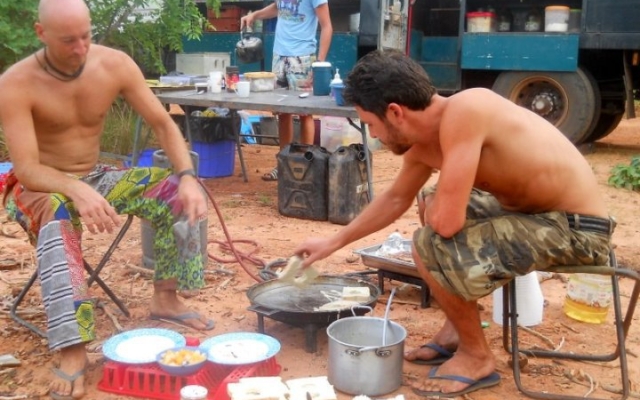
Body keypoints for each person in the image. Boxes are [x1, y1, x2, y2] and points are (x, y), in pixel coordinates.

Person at [294, 50, 613, 398]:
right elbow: (396, 199)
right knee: (429, 200)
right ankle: (455, 330)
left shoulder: (466, 110)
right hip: (535, 215)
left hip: (577, 229)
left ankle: (477, 357)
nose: (373, 135)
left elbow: (446, 225)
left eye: (371, 124)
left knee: (428, 244)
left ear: (396, 112)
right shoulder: (425, 142)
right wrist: (333, 242)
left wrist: (437, 211)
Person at [0, 0, 215, 398]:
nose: (80, 48)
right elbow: (26, 168)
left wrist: (187, 177)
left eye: (86, 36)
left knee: (173, 191)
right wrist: (73, 188)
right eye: (68, 40)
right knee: (58, 215)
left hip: (95, 177)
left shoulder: (114, 65)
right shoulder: (16, 83)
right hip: (37, 189)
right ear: (41, 33)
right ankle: (72, 348)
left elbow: (162, 123)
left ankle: (166, 297)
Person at [240, 0, 332, 181]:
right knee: (282, 112)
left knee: (305, 112)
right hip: (279, 57)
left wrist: (319, 63)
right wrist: (255, 15)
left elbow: (327, 26)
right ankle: (283, 165)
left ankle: (306, 165)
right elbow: (278, 7)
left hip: (303, 57)